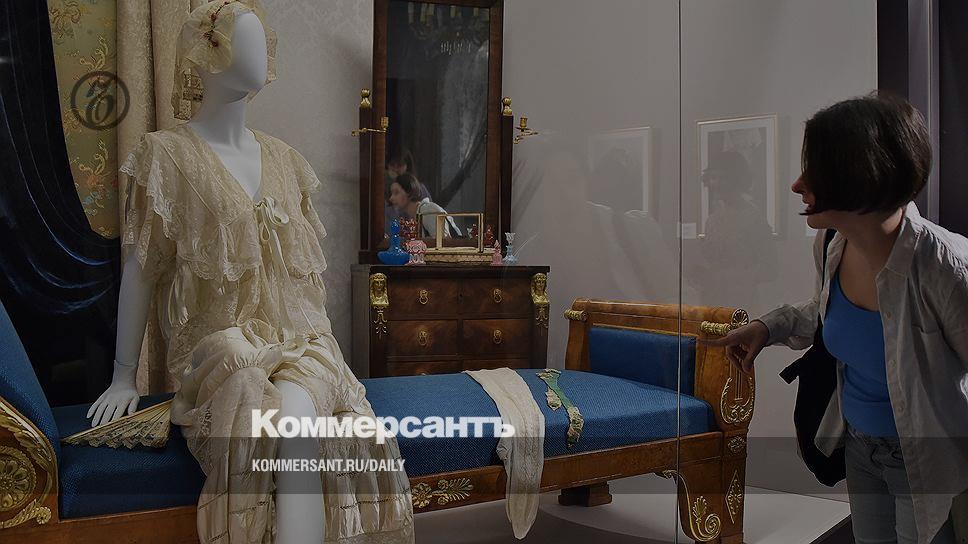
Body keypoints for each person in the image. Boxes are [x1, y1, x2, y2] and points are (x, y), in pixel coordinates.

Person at [705, 93, 967, 544]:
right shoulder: (832, 243)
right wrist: (769, 327)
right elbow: (826, 312)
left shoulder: (945, 268)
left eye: (817, 169)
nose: (797, 184)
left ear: (864, 173)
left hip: (927, 464)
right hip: (860, 448)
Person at [388, 173, 459, 238]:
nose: (391, 198)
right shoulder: (415, 216)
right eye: (391, 194)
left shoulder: (428, 211)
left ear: (409, 192)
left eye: (396, 193)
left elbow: (443, 241)